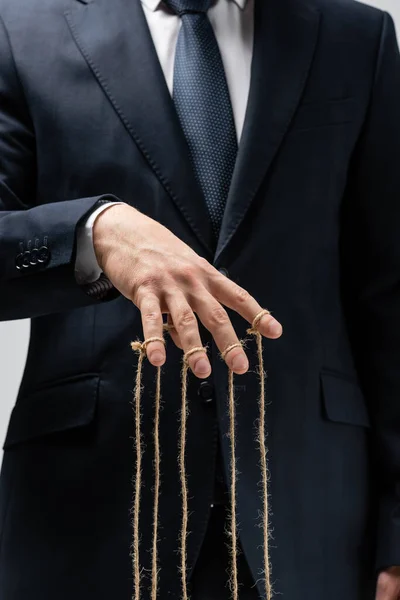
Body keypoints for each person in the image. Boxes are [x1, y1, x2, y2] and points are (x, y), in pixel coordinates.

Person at [0, 0, 400, 598]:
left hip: (308, 514)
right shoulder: (19, 27)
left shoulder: (356, 35)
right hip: (88, 510)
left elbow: (388, 296)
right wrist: (92, 232)